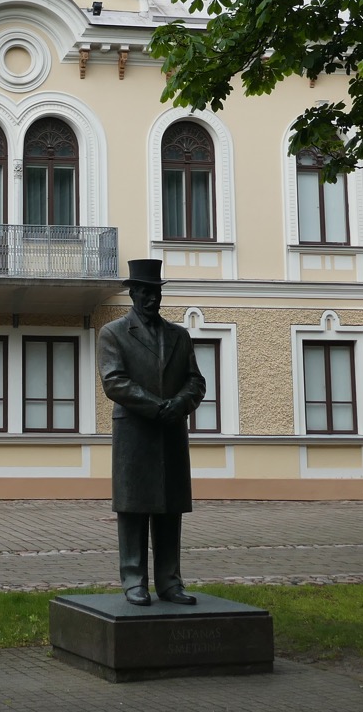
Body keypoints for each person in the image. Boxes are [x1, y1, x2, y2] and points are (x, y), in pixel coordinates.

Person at [97, 258, 205, 606]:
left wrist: (180, 404)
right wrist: (157, 406)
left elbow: (196, 381)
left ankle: (170, 581)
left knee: (169, 508)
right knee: (133, 509)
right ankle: (134, 580)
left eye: (155, 292)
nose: (150, 298)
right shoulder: (113, 333)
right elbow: (114, 382)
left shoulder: (179, 335)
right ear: (133, 294)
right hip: (135, 434)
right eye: (143, 292)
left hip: (171, 433)